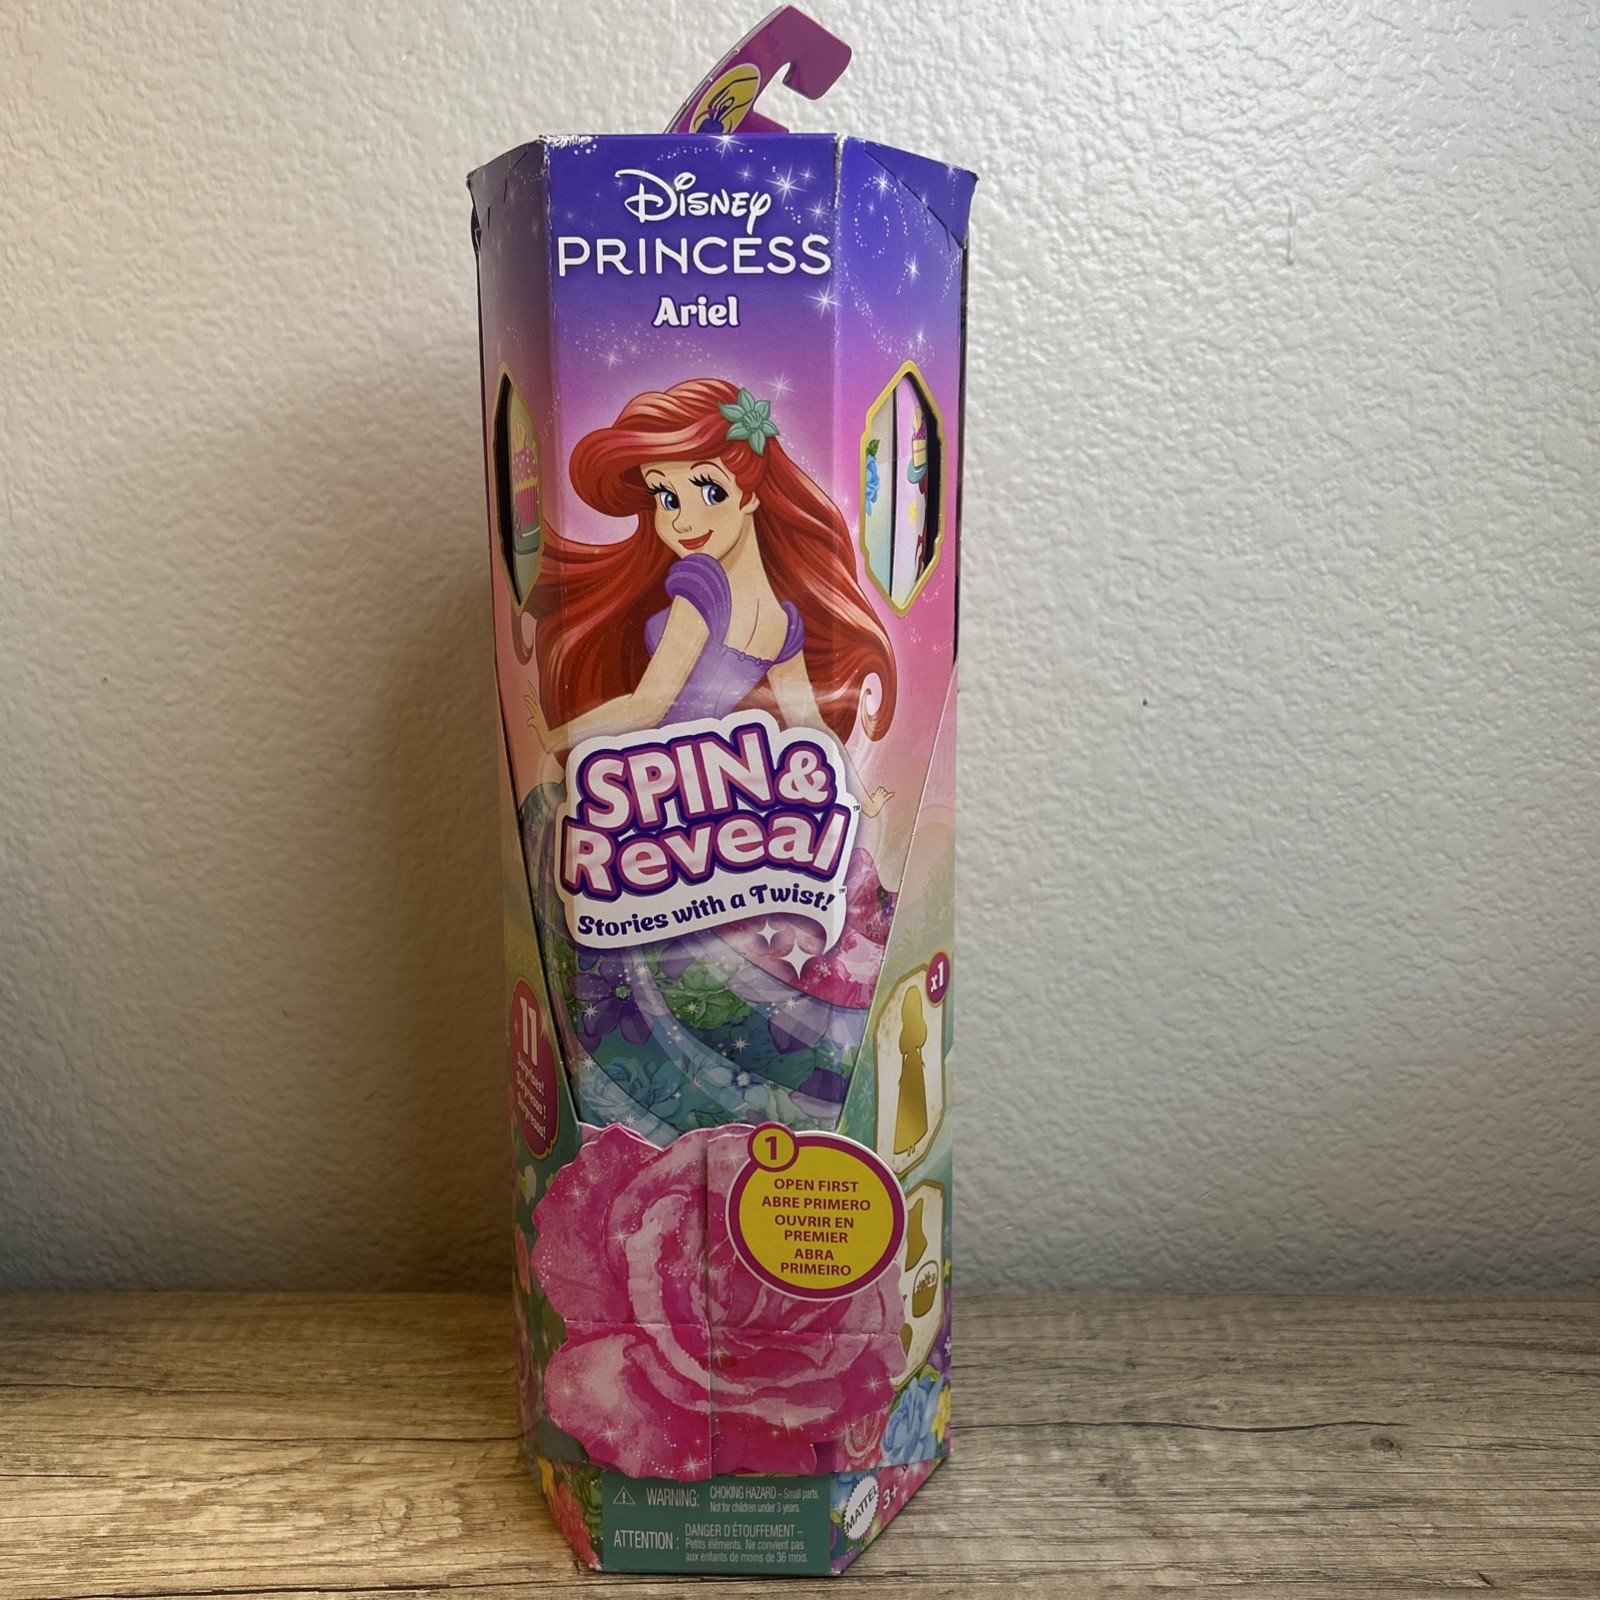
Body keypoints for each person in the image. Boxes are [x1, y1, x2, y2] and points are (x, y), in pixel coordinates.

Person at [517, 378, 898, 1140]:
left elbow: (649, 708)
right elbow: (808, 728)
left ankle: (665, 1130)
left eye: (705, 490)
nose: (681, 518)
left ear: (751, 493)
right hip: (684, 796)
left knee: (639, 965)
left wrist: (555, 737)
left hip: (668, 796)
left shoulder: (708, 592)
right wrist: (856, 792)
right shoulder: (771, 611)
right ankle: (726, 1129)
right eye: (665, 497)